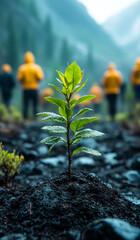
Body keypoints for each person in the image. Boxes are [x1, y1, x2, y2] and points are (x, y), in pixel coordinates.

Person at [17, 52, 44, 119]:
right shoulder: (36, 68)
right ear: (32, 58)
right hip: (34, 88)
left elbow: (19, 79)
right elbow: (40, 77)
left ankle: (25, 118)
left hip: (25, 88)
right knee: (35, 104)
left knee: (25, 104)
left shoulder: (22, 68)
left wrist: (24, 82)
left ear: (25, 59)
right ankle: (35, 118)